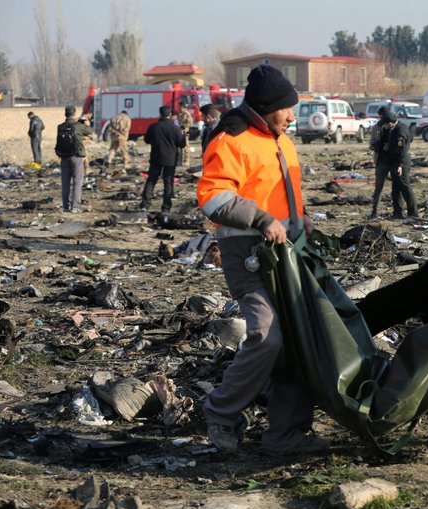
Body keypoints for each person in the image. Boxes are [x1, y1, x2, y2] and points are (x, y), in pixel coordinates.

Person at [196, 64, 327, 456]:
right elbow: (213, 197)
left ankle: (285, 435)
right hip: (248, 255)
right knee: (267, 337)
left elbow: (284, 192)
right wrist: (262, 218)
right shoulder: (231, 137)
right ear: (266, 107)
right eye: (287, 109)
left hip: (288, 253)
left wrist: (300, 218)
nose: (293, 116)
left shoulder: (279, 138)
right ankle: (220, 413)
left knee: (296, 339)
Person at [140, 106, 186, 212]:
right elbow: (182, 144)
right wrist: (183, 136)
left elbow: (147, 140)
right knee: (168, 182)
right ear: (170, 115)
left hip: (156, 157)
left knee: (151, 180)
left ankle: (144, 204)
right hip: (170, 159)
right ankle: (166, 207)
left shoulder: (153, 127)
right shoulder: (175, 128)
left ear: (160, 114)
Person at [376, 110, 417, 219]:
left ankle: (413, 213)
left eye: (384, 124)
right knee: (396, 189)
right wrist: (389, 145)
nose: (384, 126)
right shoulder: (394, 128)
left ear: (389, 123)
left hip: (401, 161)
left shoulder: (400, 131)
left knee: (405, 187)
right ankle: (397, 213)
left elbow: (402, 150)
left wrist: (400, 165)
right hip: (395, 161)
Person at [55, 105, 94, 213]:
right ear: (74, 114)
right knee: (77, 181)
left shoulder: (60, 127)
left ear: (65, 114)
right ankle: (75, 206)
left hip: (63, 156)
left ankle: (65, 206)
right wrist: (87, 123)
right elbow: (90, 131)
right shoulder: (77, 126)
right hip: (76, 156)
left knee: (65, 182)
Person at [368, 105, 389, 218]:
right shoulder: (376, 128)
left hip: (391, 160)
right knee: (379, 187)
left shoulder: (393, 126)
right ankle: (374, 211)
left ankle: (398, 211)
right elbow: (371, 145)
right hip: (381, 159)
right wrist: (378, 146)